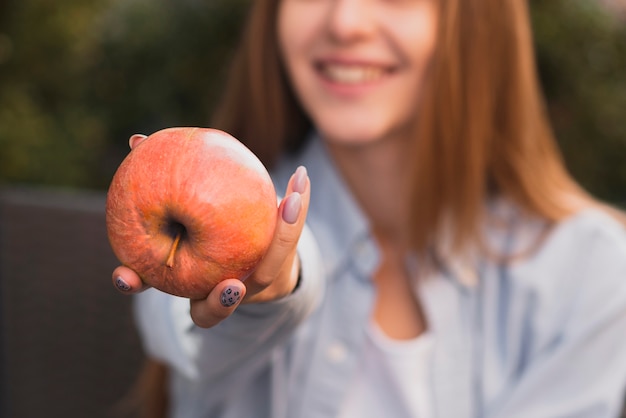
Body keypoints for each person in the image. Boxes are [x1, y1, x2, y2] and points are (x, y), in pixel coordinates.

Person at [112, 0, 626, 417]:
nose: (345, 21)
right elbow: (181, 331)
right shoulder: (214, 200)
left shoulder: (593, 271)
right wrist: (271, 282)